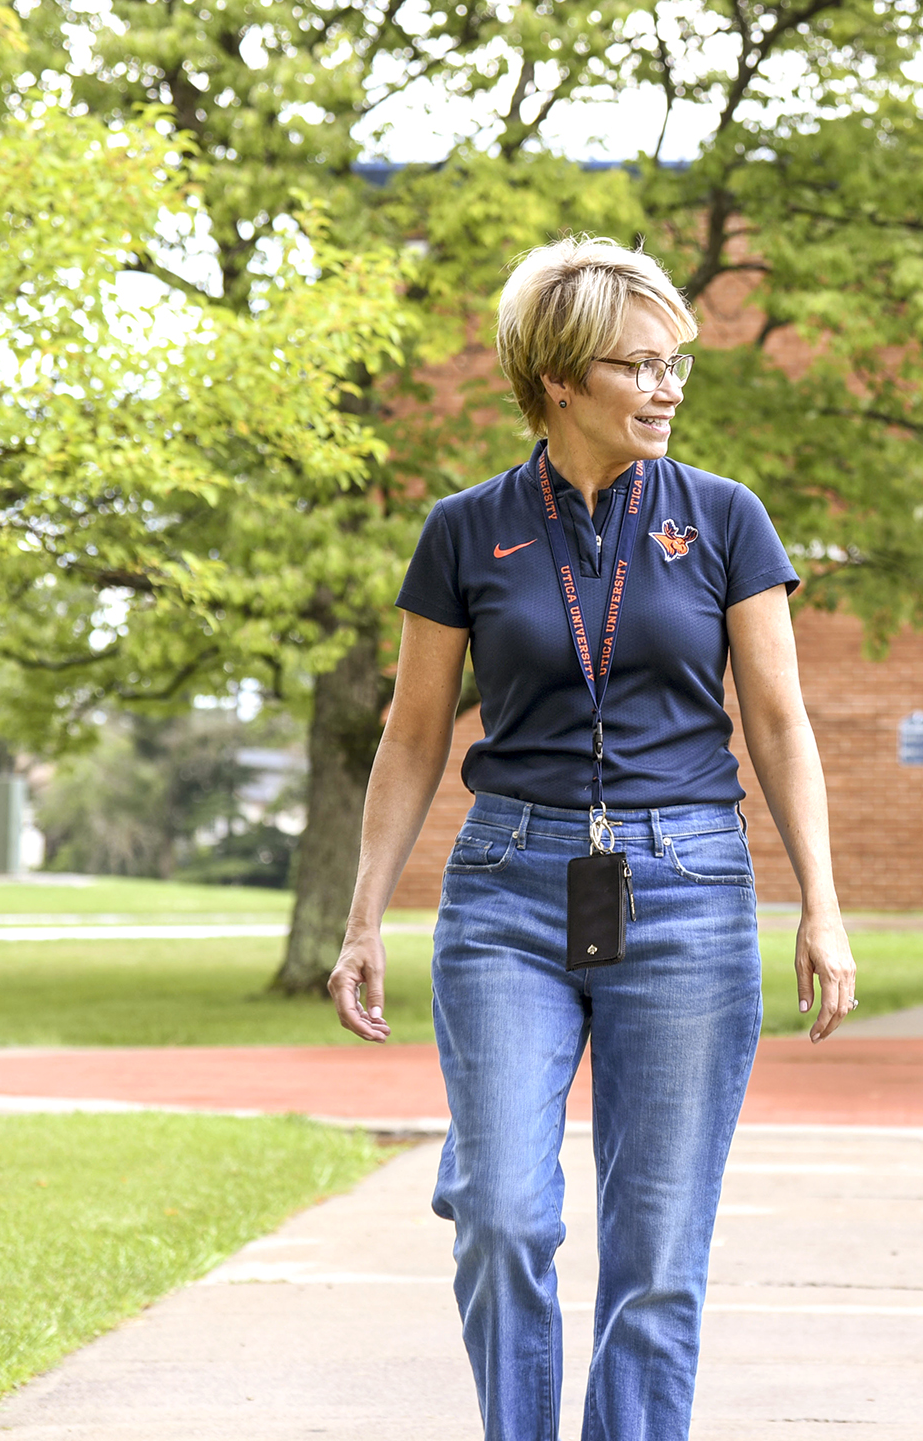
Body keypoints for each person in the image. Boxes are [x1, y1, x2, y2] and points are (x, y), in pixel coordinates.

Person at [328, 235, 857, 1441]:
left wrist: (821, 903)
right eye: (642, 364)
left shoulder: (725, 519)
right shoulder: (465, 531)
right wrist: (365, 914)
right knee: (506, 1213)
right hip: (510, 884)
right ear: (560, 376)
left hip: (687, 884)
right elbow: (412, 736)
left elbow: (777, 720)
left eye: (678, 365)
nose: (668, 388)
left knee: (658, 1252)